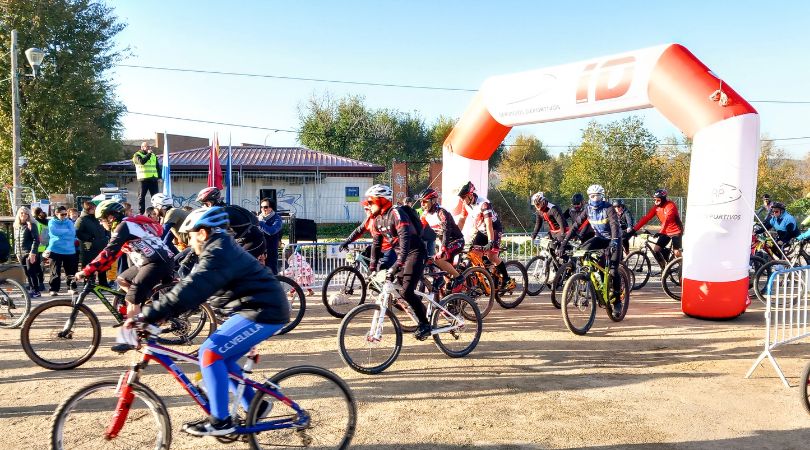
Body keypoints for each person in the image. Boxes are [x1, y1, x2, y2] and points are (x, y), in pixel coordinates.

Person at [126, 206, 290, 436]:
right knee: (220, 357)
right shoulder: (220, 249)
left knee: (210, 355)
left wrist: (148, 314)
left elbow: (194, 288)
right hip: (254, 308)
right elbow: (193, 288)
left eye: (191, 236)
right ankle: (256, 405)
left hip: (263, 311)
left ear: (202, 233)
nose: (189, 242)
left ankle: (221, 421)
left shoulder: (219, 252)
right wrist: (163, 313)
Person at [76, 200, 174, 325]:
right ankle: (145, 304)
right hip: (151, 261)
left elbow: (109, 251)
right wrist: (96, 269)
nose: (100, 223)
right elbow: (114, 254)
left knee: (132, 300)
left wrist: (87, 270)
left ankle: (132, 339)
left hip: (156, 262)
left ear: (111, 217)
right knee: (122, 279)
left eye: (101, 220)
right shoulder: (126, 225)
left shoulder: (124, 226)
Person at [367, 184, 431, 339]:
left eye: (371, 202)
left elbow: (406, 239)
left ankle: (425, 324)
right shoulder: (377, 219)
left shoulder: (396, 213)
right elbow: (376, 244)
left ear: (382, 201)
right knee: (399, 290)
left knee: (406, 291)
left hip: (415, 252)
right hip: (402, 254)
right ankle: (421, 312)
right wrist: (372, 267)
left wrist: (398, 264)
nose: (368, 205)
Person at [560, 184, 623, 309]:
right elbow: (576, 225)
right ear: (589, 197)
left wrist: (614, 241)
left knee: (613, 270)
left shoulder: (608, 208)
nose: (595, 199)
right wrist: (564, 243)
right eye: (592, 196)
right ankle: (589, 281)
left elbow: (614, 225)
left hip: (614, 239)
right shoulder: (588, 209)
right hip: (600, 238)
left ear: (602, 197)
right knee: (582, 251)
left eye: (598, 196)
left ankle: (617, 301)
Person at [454, 181, 514, 292]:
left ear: (470, 195)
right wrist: (455, 235)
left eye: (463, 197)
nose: (462, 200)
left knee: (492, 256)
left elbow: (489, 224)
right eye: (461, 197)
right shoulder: (465, 204)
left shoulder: (484, 204)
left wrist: (490, 241)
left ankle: (506, 279)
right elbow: (462, 221)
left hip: (494, 230)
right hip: (481, 231)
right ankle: (482, 280)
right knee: (473, 254)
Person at [196, 187, 267, 262]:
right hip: (246, 241)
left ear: (209, 203)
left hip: (254, 242)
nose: (201, 207)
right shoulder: (226, 209)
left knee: (233, 263)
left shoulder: (224, 213)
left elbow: (215, 235)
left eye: (202, 204)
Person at [419, 188, 465, 290]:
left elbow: (446, 230)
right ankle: (447, 287)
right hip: (445, 242)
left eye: (425, 201)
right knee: (431, 260)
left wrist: (443, 247)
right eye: (421, 202)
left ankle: (459, 277)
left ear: (433, 200)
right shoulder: (425, 214)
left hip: (456, 241)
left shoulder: (441, 212)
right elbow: (419, 230)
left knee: (438, 259)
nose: (422, 204)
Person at [338, 200, 397, 270]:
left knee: (383, 270)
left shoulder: (382, 218)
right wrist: (347, 241)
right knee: (364, 256)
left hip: (391, 248)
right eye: (364, 209)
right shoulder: (369, 220)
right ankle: (371, 276)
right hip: (379, 248)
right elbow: (358, 231)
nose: (365, 211)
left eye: (367, 209)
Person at [632, 189, 684, 267]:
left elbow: (667, 219)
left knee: (676, 252)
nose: (655, 202)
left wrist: (660, 231)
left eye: (658, 200)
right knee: (656, 250)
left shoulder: (670, 205)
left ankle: (683, 269)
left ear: (663, 199)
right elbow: (646, 218)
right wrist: (634, 229)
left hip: (676, 231)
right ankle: (664, 269)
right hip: (665, 231)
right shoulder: (656, 208)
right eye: (655, 200)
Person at [44, 205, 79, 296]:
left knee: (71, 271)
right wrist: (66, 231)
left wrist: (61, 232)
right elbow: (54, 231)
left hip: (69, 250)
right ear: (56, 214)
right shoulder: (51, 222)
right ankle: (54, 289)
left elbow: (72, 233)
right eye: (62, 214)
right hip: (55, 249)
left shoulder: (69, 222)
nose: (64, 216)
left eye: (65, 214)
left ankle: (71, 287)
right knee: (55, 271)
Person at [74, 201, 110, 288]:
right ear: (89, 209)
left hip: (101, 245)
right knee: (89, 264)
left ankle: (103, 284)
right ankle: (89, 284)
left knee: (102, 264)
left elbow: (105, 229)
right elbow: (78, 232)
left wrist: (107, 237)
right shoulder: (81, 219)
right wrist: (89, 238)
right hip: (89, 248)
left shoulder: (97, 218)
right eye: (94, 208)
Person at [13, 207, 41, 297]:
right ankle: (31, 289)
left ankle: (36, 291)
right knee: (26, 273)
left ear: (29, 215)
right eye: (21, 213)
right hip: (21, 253)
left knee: (31, 272)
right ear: (18, 214)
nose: (23, 215)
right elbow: (16, 241)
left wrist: (32, 253)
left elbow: (36, 240)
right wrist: (17, 253)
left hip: (29, 252)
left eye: (26, 213)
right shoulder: (17, 226)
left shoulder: (32, 225)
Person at [132, 141, 161, 214]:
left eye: (149, 146)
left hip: (153, 179)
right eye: (147, 146)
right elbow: (142, 162)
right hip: (143, 179)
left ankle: (156, 213)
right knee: (141, 197)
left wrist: (159, 177)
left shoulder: (153, 155)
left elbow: (157, 167)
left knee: (156, 197)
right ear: (142, 147)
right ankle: (141, 213)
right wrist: (148, 154)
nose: (149, 148)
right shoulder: (137, 155)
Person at [258, 198, 283, 274]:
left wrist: (260, 223)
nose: (263, 209)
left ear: (271, 208)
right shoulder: (260, 217)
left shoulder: (277, 219)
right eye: (261, 207)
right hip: (260, 249)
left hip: (271, 249)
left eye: (265, 207)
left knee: (272, 271)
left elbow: (271, 231)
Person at [33, 207, 49, 291]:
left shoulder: (35, 222)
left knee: (36, 267)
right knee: (40, 267)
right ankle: (41, 283)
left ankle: (38, 284)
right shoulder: (46, 222)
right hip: (44, 247)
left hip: (36, 248)